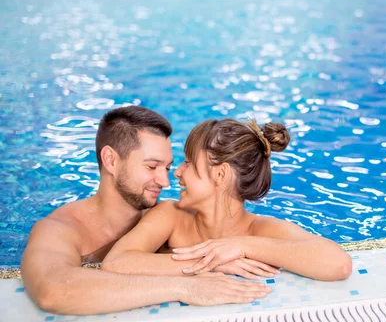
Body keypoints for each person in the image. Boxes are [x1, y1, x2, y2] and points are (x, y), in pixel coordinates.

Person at [21, 106, 271, 315]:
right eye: (152, 166)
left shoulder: (169, 220)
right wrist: (186, 287)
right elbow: (53, 290)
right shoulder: (60, 230)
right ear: (111, 160)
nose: (165, 181)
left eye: (167, 167)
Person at [101, 119, 352, 281]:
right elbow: (116, 263)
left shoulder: (259, 230)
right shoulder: (172, 215)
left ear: (220, 174)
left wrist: (243, 246)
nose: (176, 172)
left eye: (188, 163)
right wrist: (210, 263)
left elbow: (338, 264)